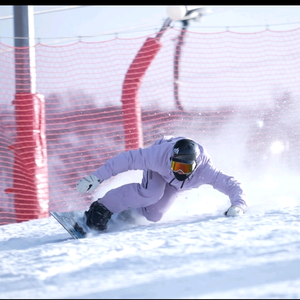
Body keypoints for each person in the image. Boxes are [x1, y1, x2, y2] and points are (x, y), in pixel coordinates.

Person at [76, 136, 247, 232]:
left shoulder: (206, 171)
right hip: (159, 172)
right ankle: (102, 208)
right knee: (151, 193)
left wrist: (238, 205)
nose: (178, 172)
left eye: (183, 167)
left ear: (194, 166)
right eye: (175, 165)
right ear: (171, 160)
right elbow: (127, 160)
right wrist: (97, 177)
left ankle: (127, 213)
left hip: (175, 186)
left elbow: (232, 184)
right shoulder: (159, 156)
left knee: (154, 215)